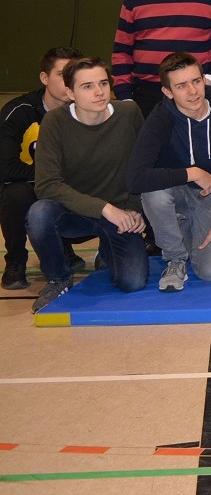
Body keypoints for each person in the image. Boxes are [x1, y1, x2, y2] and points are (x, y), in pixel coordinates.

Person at [27, 57, 148, 311]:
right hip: (75, 213)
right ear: (70, 93)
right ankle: (59, 279)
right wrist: (105, 208)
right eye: (87, 86)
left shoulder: (129, 113)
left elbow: (143, 166)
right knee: (39, 214)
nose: (99, 92)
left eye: (103, 83)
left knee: (133, 282)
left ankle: (106, 251)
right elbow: (47, 185)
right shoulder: (55, 122)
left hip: (120, 215)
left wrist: (135, 208)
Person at [126, 53, 211, 291]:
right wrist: (192, 173)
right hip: (175, 192)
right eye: (181, 86)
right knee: (153, 193)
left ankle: (184, 227)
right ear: (168, 92)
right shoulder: (160, 119)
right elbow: (135, 179)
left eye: (196, 81)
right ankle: (175, 259)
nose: (192, 92)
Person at [1, 46, 81, 289]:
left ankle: (69, 248)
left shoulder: (89, 110)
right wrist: (49, 178)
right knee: (16, 195)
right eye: (62, 75)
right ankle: (15, 261)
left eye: (74, 74)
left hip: (72, 185)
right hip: (30, 185)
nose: (69, 82)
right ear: (44, 78)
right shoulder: (19, 112)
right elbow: (5, 167)